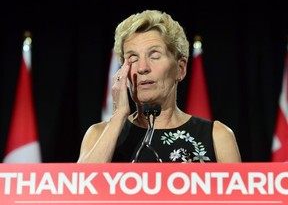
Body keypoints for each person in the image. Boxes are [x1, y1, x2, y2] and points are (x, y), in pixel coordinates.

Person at [77, 9, 241, 163]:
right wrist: (119, 116)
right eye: (133, 59)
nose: (142, 68)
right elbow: (80, 188)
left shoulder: (217, 136)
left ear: (180, 68)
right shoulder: (98, 135)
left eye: (154, 56)